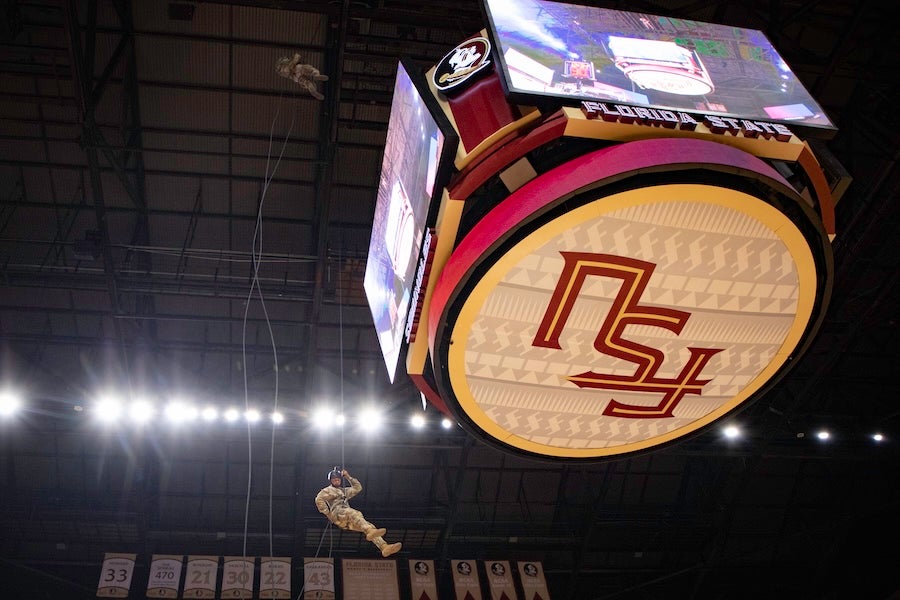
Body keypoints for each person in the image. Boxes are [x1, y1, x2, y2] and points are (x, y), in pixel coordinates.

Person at [314, 468, 402, 557]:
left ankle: (384, 547)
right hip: (338, 513)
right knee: (354, 513)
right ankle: (369, 531)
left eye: (338, 479)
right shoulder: (327, 490)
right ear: (331, 481)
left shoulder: (344, 491)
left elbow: (358, 487)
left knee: (370, 526)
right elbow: (318, 499)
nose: (336, 481)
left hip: (347, 522)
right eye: (334, 479)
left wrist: (348, 477)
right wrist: (328, 513)